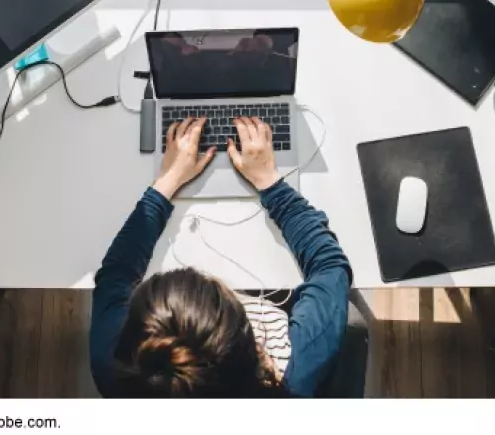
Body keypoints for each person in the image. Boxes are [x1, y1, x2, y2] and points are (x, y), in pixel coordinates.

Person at [89, 116, 352, 397]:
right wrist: (271, 184)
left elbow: (116, 274)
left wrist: (167, 182)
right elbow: (329, 266)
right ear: (252, 344)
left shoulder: (116, 367)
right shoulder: (293, 375)